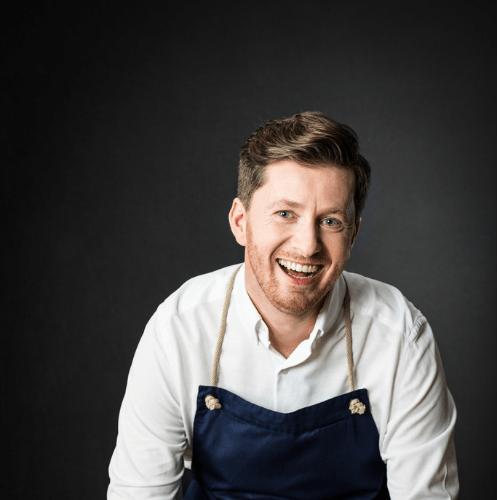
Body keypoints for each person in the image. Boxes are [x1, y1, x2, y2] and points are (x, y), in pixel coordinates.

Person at [108, 112, 458, 499]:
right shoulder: (178, 329)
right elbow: (138, 492)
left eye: (330, 221)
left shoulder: (401, 336)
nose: (307, 246)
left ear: (353, 233)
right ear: (240, 222)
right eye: (285, 214)